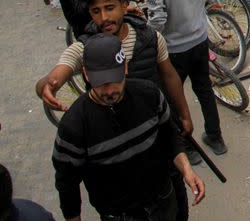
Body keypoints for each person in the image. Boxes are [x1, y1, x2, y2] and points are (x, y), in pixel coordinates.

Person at [52, 33, 205, 220]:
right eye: (101, 82)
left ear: (125, 67)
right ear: (86, 74)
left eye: (114, 79)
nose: (109, 91)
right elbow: (67, 185)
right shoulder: (74, 126)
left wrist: (187, 170)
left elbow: (169, 136)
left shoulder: (150, 95)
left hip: (163, 201)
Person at [144, 0, 228, 160]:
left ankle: (188, 148)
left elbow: (157, 19)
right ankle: (215, 137)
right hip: (200, 39)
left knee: (174, 98)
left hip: (173, 49)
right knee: (204, 89)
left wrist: (147, 36)